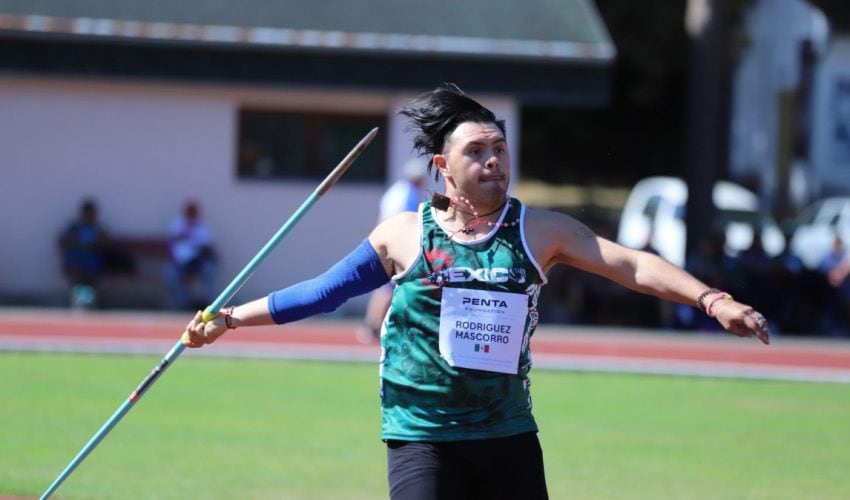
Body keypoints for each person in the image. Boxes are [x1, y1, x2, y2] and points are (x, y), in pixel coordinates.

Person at [184, 83, 770, 499]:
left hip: (507, 432)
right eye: (476, 152)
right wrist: (230, 318)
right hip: (422, 437)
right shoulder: (404, 235)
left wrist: (712, 300)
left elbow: (631, 265)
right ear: (443, 165)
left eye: (499, 150)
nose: (493, 161)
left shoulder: (539, 232)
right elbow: (322, 293)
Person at [359, 157, 427, 343]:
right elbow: (407, 221)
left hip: (385, 240)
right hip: (395, 244)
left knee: (385, 286)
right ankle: (373, 325)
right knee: (389, 288)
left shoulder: (397, 190)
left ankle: (372, 324)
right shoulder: (409, 192)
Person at [164, 200, 217, 310]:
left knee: (210, 270)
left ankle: (207, 304)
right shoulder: (177, 225)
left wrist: (198, 248)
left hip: (198, 264)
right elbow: (171, 243)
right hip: (180, 264)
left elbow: (208, 248)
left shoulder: (203, 228)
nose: (191, 214)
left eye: (194, 211)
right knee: (170, 275)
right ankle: (185, 305)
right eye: (189, 211)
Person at [58, 198, 111, 308]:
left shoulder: (98, 228)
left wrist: (98, 241)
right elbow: (63, 241)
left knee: (90, 276)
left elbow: (106, 244)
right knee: (78, 274)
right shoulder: (75, 227)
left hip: (93, 263)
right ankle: (81, 301)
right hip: (76, 262)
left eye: (92, 213)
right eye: (87, 212)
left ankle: (88, 302)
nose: (89, 215)